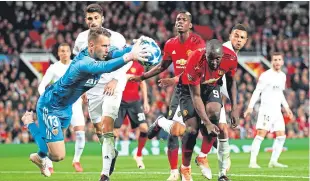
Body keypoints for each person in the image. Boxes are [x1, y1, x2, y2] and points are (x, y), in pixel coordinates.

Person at [21, 27, 151, 179]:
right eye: (104, 46)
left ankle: (39, 157)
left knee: (51, 143)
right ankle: (29, 122)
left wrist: (133, 48)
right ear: (91, 45)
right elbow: (106, 67)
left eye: (108, 45)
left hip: (66, 107)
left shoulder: (101, 52)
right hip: (51, 106)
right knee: (58, 156)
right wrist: (130, 56)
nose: (107, 50)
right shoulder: (83, 63)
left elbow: (116, 53)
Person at [130, 11, 205, 181]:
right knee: (175, 132)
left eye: (184, 20)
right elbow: (161, 66)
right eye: (178, 19)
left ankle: (160, 122)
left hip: (197, 91)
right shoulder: (170, 44)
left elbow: (196, 69)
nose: (180, 22)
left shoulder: (198, 42)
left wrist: (174, 78)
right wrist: (142, 76)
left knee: (192, 131)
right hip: (181, 92)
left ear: (190, 25)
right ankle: (174, 172)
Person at [73, 4, 131, 178]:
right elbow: (78, 63)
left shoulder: (117, 38)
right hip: (93, 87)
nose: (93, 21)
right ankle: (111, 153)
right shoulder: (81, 39)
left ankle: (105, 174)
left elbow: (127, 60)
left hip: (113, 85)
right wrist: (81, 87)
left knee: (107, 126)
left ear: (102, 19)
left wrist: (115, 79)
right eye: (89, 18)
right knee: (98, 129)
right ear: (85, 20)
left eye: (96, 18)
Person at [196, 24, 248, 179]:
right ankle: (204, 157)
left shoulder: (232, 55)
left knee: (222, 130)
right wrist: (233, 107)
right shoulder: (223, 51)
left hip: (216, 94)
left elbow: (229, 81)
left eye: (242, 38)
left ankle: (221, 172)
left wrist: (233, 106)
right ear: (230, 35)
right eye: (236, 36)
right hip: (201, 92)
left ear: (246, 41)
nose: (238, 40)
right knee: (214, 129)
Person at [38, 43, 86, 173]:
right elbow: (42, 85)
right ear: (58, 54)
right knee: (56, 136)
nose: (64, 53)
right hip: (57, 106)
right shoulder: (54, 68)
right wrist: (46, 99)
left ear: (70, 52)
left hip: (75, 103)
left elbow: (82, 82)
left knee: (80, 133)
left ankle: (76, 160)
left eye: (66, 50)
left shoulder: (77, 65)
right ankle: (48, 163)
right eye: (62, 51)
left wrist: (84, 92)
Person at [244, 52, 293, 169]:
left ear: (282, 62)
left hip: (277, 111)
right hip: (266, 110)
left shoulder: (282, 76)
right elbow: (257, 91)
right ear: (271, 62)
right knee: (261, 134)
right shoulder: (265, 75)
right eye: (275, 60)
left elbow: (280, 93)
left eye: (279, 59)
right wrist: (250, 106)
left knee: (281, 135)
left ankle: (273, 161)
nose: (277, 62)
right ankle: (252, 162)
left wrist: (286, 107)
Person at [114, 61, 150, 169]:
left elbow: (142, 83)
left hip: (134, 102)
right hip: (119, 101)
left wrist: (145, 101)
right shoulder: (119, 63)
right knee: (114, 132)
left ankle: (138, 155)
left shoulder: (138, 65)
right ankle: (111, 158)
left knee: (144, 128)